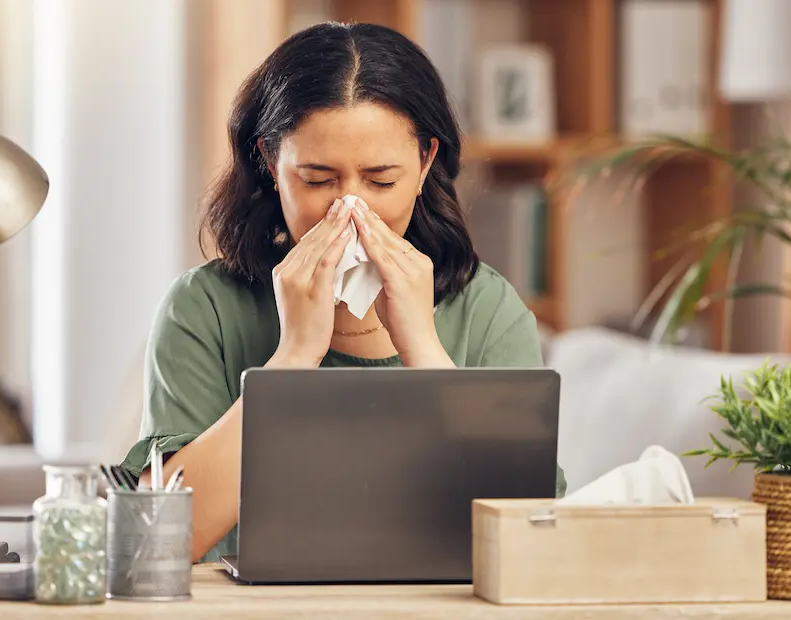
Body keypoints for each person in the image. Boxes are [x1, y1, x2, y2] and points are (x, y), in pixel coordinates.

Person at [121, 21, 566, 564]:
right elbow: (152, 545)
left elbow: (527, 542)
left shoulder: (488, 310)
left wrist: (423, 349)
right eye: (316, 179)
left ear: (426, 163)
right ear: (269, 162)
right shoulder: (205, 309)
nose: (350, 210)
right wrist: (291, 360)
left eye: (381, 181)